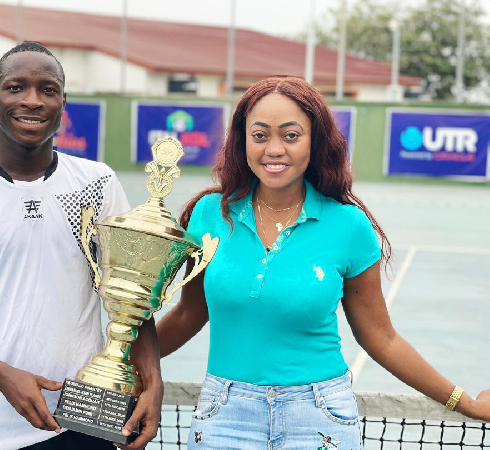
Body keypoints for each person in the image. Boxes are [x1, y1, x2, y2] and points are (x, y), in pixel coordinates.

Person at [156, 76, 490, 449]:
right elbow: (188, 314)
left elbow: (381, 338)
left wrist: (466, 402)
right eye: (260, 135)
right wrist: (123, 359)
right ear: (242, 141)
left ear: (315, 141)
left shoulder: (348, 226)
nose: (274, 149)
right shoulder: (209, 215)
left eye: (291, 135)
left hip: (319, 416)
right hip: (225, 415)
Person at [0, 42, 163, 450]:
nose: (32, 100)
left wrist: (153, 381)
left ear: (63, 101)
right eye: (15, 87)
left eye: (47, 89)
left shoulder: (97, 183)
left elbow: (132, 296)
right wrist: (3, 375)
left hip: (92, 411)